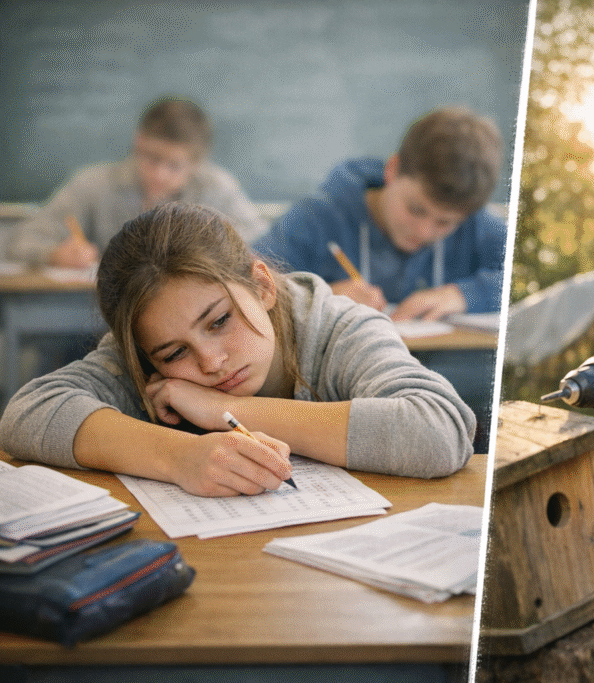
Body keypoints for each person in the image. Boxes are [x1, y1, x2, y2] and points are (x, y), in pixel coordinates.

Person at [0, 202, 475, 497]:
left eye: (219, 321)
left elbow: (440, 430)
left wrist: (223, 410)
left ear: (262, 286)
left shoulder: (338, 326)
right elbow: (28, 413)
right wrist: (179, 456)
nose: (210, 362)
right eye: (173, 354)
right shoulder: (145, 350)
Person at [253, 105, 506, 322]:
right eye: (415, 209)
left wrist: (465, 295)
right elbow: (244, 281)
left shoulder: (474, 222)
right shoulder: (315, 218)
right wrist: (317, 298)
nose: (424, 232)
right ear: (392, 170)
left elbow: (519, 276)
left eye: (445, 223)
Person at [8, 96, 267, 268]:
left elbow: (261, 247)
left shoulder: (217, 189)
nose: (160, 174)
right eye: (152, 158)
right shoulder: (92, 185)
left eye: (174, 166)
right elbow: (22, 241)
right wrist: (54, 254)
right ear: (138, 141)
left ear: (196, 163)